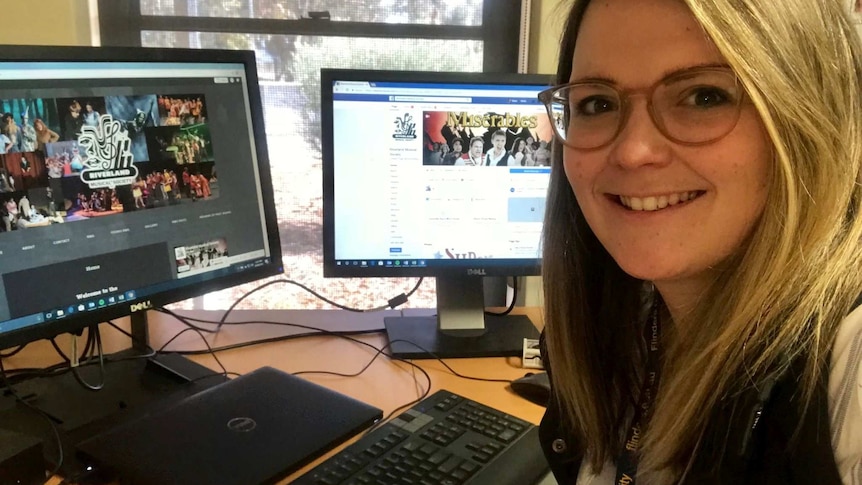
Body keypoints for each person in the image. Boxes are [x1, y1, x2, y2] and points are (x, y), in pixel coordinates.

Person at [536, 0, 862, 484]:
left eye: (704, 96)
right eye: (597, 104)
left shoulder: (848, 367)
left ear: (812, 117)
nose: (632, 152)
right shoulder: (623, 324)